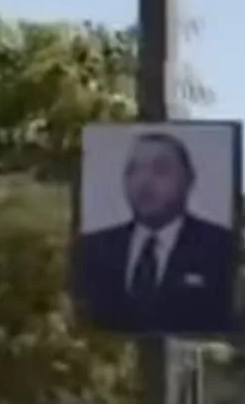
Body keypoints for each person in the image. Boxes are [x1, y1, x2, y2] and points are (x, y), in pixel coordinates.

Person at [72, 131, 235, 334]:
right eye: (133, 170)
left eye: (160, 170)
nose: (144, 181)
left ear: (189, 180)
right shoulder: (93, 247)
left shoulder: (222, 246)